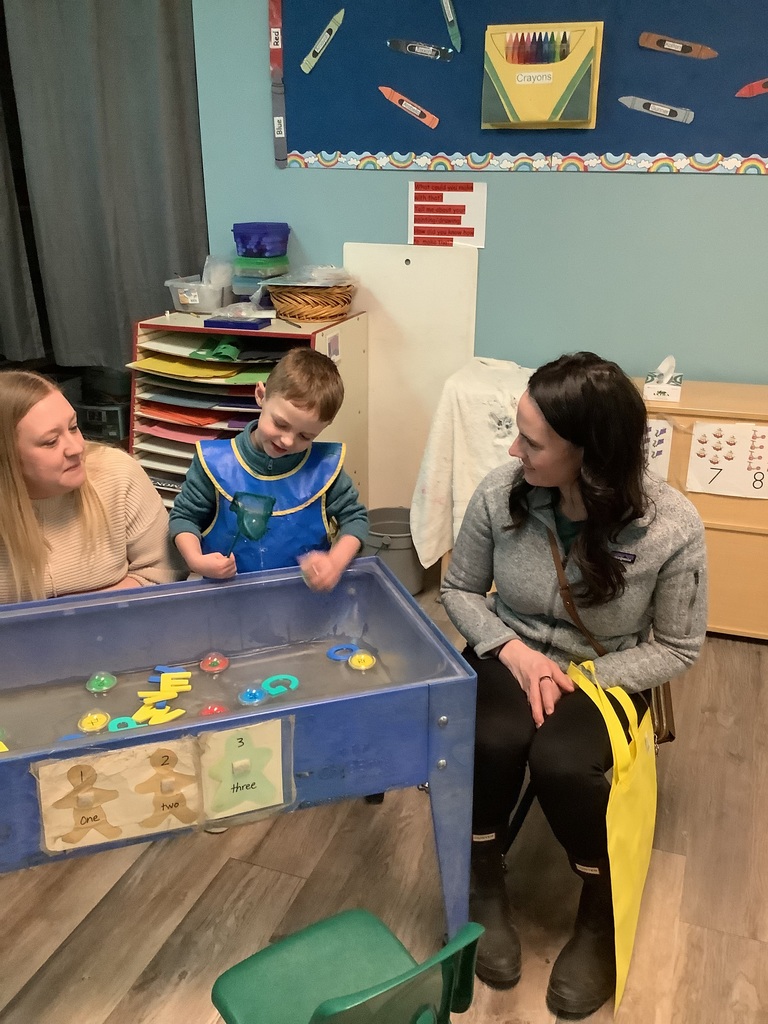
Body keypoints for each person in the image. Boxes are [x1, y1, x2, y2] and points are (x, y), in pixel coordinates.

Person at [441, 352, 707, 1017]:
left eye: (531, 441)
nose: (513, 449)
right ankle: (483, 875)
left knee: (563, 762)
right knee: (488, 736)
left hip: (604, 670)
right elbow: (460, 588)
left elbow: (678, 646)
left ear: (589, 455)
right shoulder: (500, 492)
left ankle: (599, 906)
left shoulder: (672, 527)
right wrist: (512, 650)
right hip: (512, 654)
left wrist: (582, 677)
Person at [170, 346, 368, 591]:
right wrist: (196, 560)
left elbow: (355, 520)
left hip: (301, 602)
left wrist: (334, 563)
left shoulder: (325, 468)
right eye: (280, 423)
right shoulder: (213, 463)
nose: (287, 441)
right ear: (261, 395)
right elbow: (184, 517)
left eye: (305, 436)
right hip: (228, 599)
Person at [0, 370, 185, 604]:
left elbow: (164, 572)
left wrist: (71, 612)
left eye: (73, 427)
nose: (76, 448)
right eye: (51, 442)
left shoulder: (118, 474)